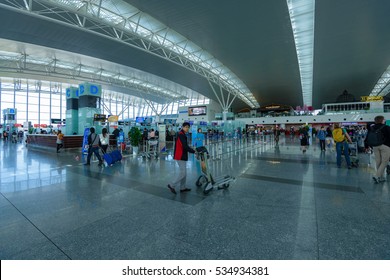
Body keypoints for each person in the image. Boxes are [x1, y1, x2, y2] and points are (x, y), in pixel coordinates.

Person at [167, 122, 196, 194]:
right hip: (180, 155)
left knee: (184, 173)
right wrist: (193, 151)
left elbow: (184, 145)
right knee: (183, 173)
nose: (187, 128)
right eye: (185, 127)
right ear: (182, 127)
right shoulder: (181, 135)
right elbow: (185, 146)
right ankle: (172, 185)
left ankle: (182, 188)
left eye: (188, 127)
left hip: (181, 154)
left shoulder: (182, 134)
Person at [365, 115, 390, 183]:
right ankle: (377, 176)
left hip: (375, 146)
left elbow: (367, 138)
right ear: (382, 120)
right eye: (384, 119)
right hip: (385, 146)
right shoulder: (386, 127)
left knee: (378, 161)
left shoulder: (372, 128)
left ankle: (380, 177)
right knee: (384, 161)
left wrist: (366, 146)